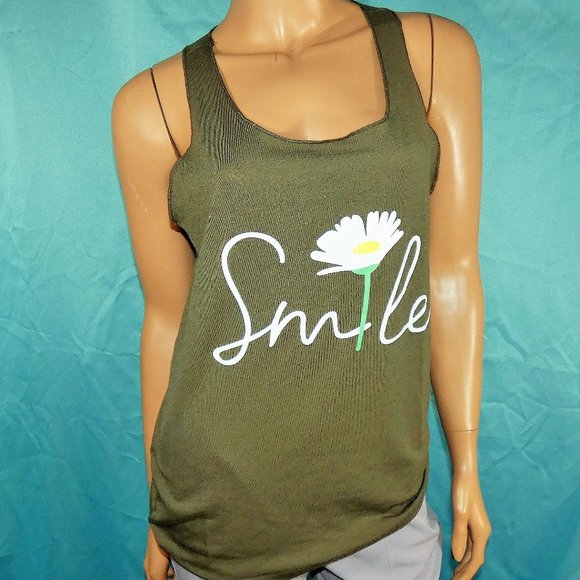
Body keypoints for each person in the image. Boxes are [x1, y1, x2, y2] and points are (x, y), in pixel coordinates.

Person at [112, 1, 491, 579]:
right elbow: (168, 319)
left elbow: (451, 270)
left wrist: (467, 461)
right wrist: (159, 509)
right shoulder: (154, 104)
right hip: (222, 513)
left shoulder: (432, 52)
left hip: (385, 504)